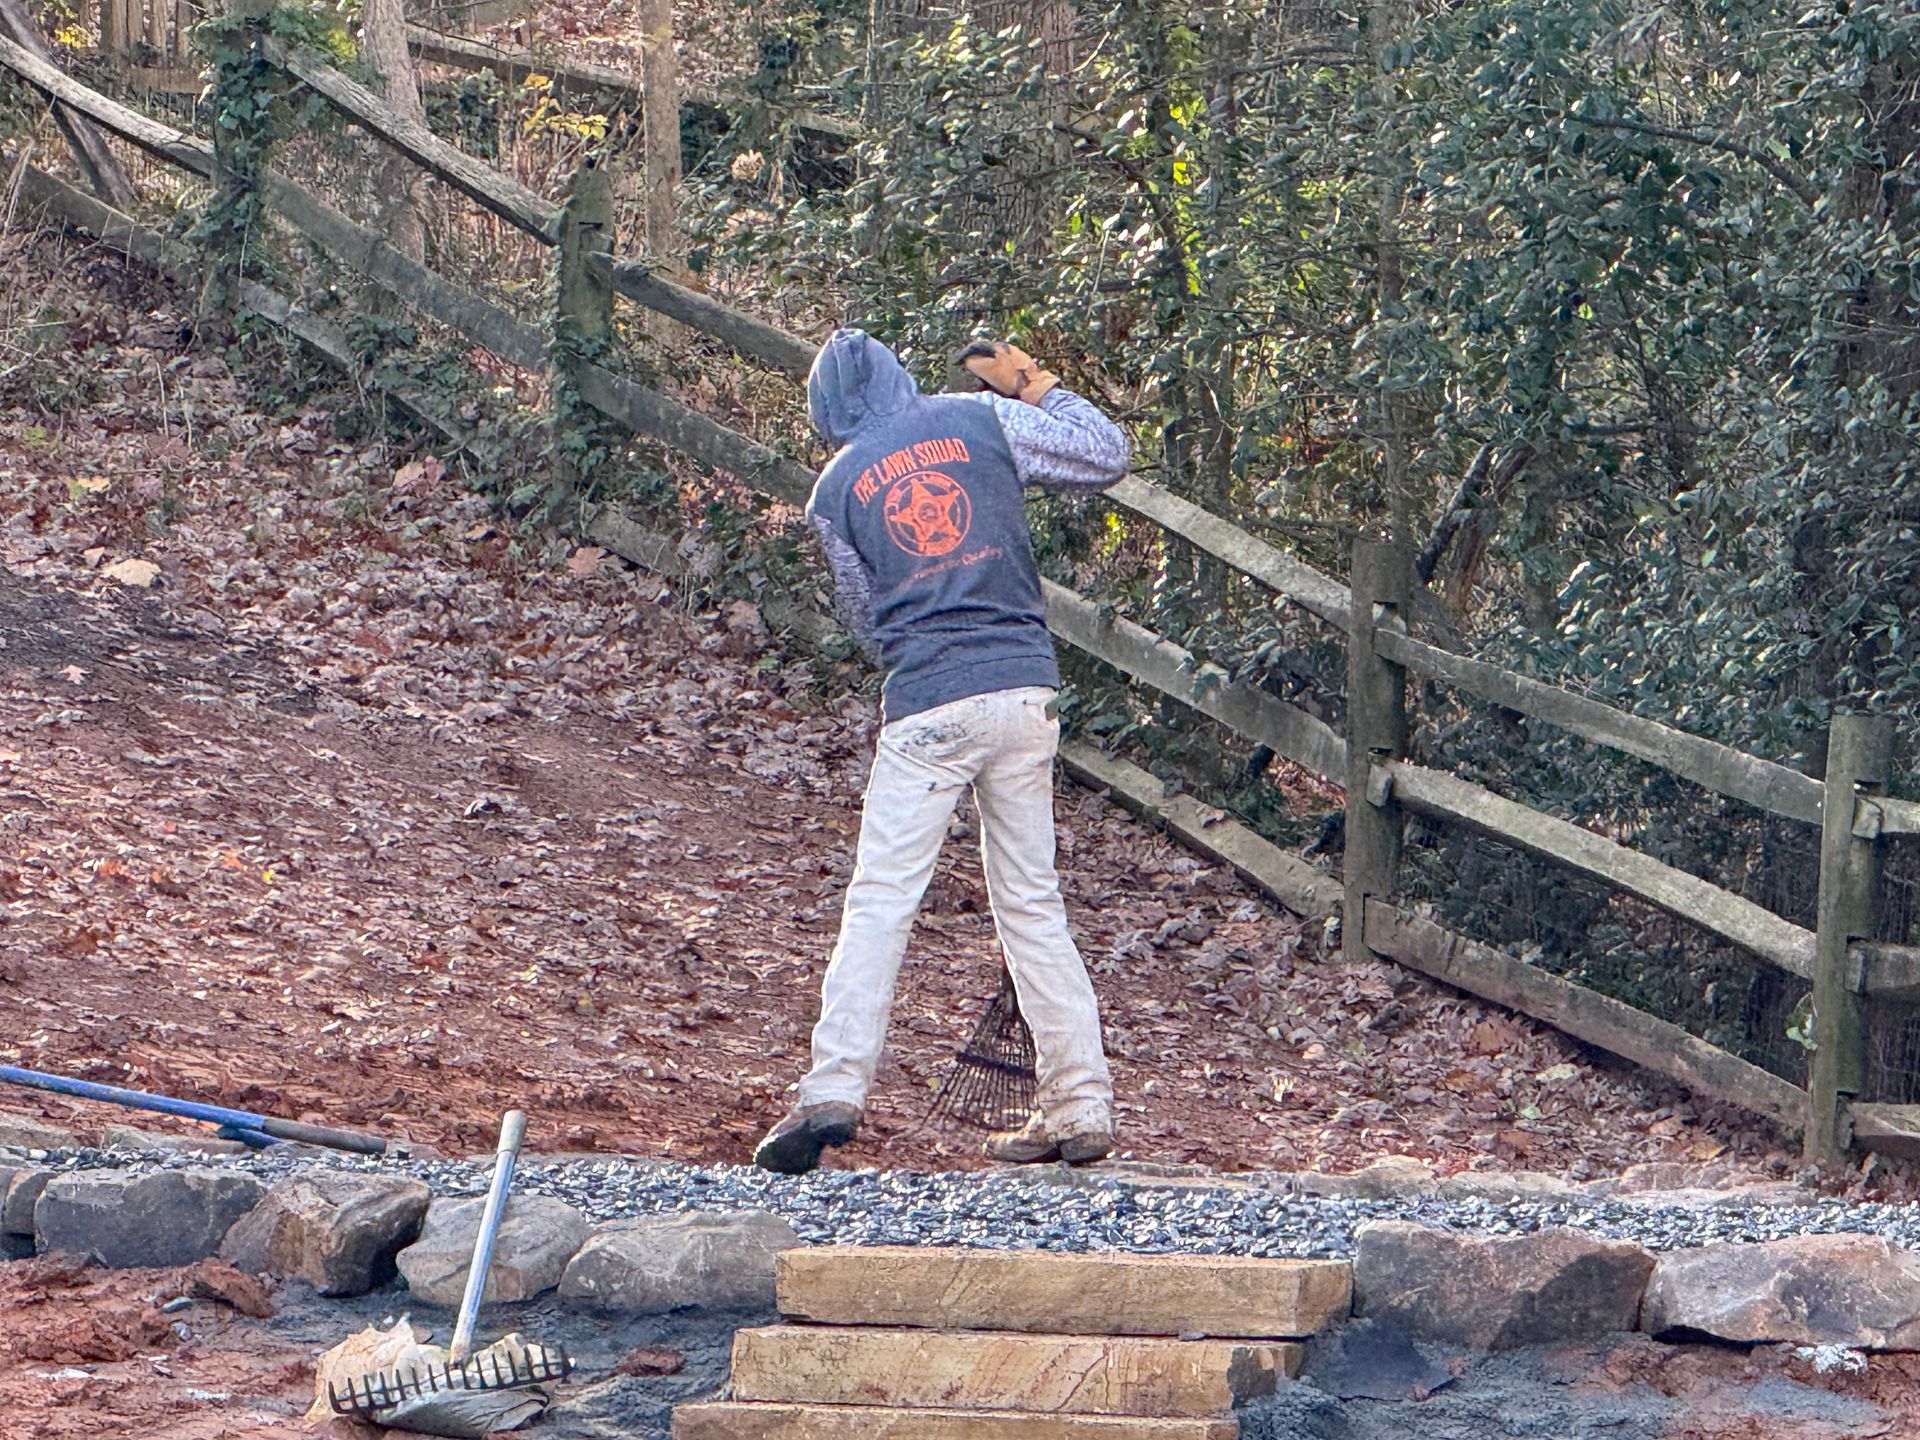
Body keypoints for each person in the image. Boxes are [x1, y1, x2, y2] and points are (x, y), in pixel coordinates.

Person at [752, 328, 1131, 1175]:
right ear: (899, 376)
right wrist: (1035, 384)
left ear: (824, 409)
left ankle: (832, 1093)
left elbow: (862, 614)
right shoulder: (981, 417)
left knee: (881, 899)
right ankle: (1081, 1102)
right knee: (1032, 902)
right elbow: (1107, 454)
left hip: (927, 704)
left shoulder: (835, 488)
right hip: (1024, 689)